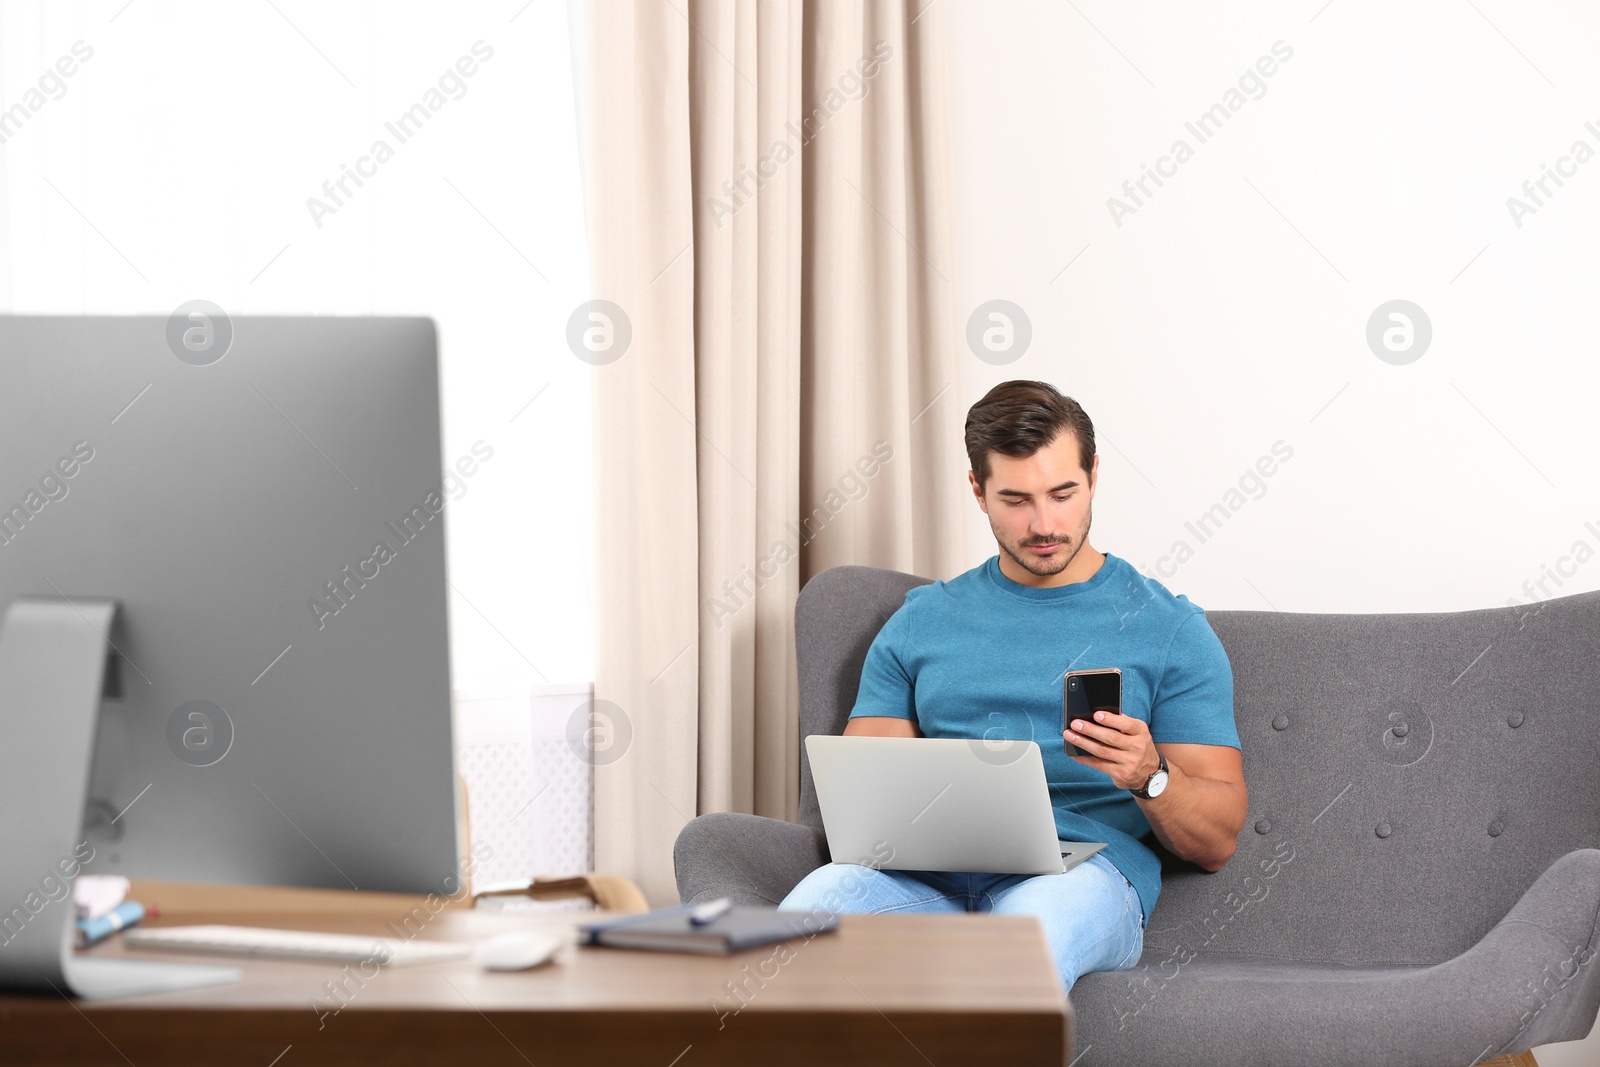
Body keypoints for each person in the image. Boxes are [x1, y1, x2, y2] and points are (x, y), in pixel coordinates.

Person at [779, 380, 1249, 991]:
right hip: (925, 879)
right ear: (977, 491)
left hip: (1080, 878)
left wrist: (1149, 773)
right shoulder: (923, 622)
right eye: (1016, 500)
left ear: (1095, 476)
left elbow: (1216, 842)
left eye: (1062, 493)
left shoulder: (1170, 629)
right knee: (808, 917)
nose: (1044, 523)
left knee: (1021, 941)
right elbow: (863, 797)